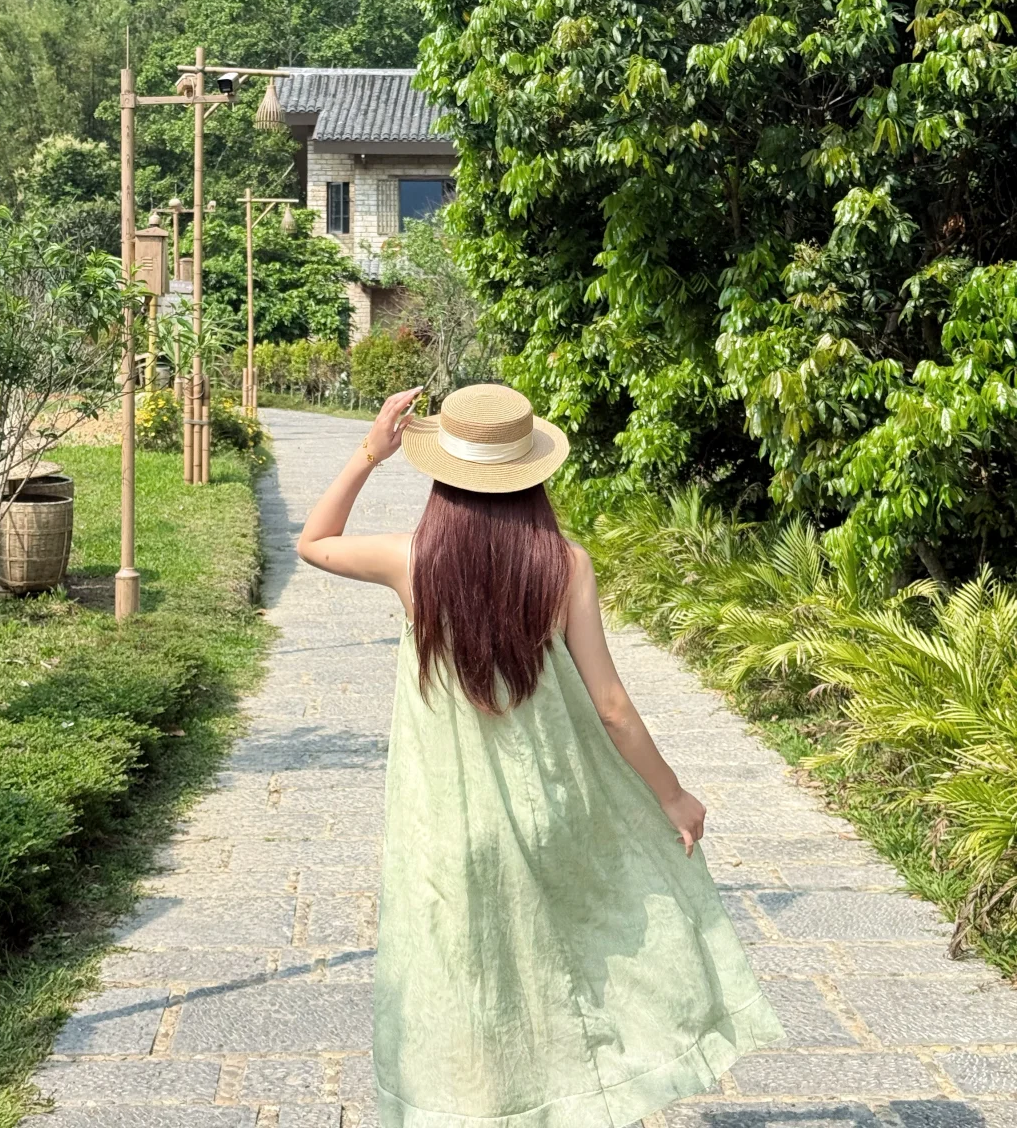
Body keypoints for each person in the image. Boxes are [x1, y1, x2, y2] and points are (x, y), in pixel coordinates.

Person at [298, 383, 783, 1128]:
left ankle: (477, 1109)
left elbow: (314, 541)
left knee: (468, 981)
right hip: (554, 809)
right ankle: (567, 1097)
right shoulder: (564, 565)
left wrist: (370, 452)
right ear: (531, 475)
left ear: (443, 475)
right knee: (572, 964)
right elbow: (612, 707)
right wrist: (672, 795)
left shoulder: (412, 561)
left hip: (447, 828)